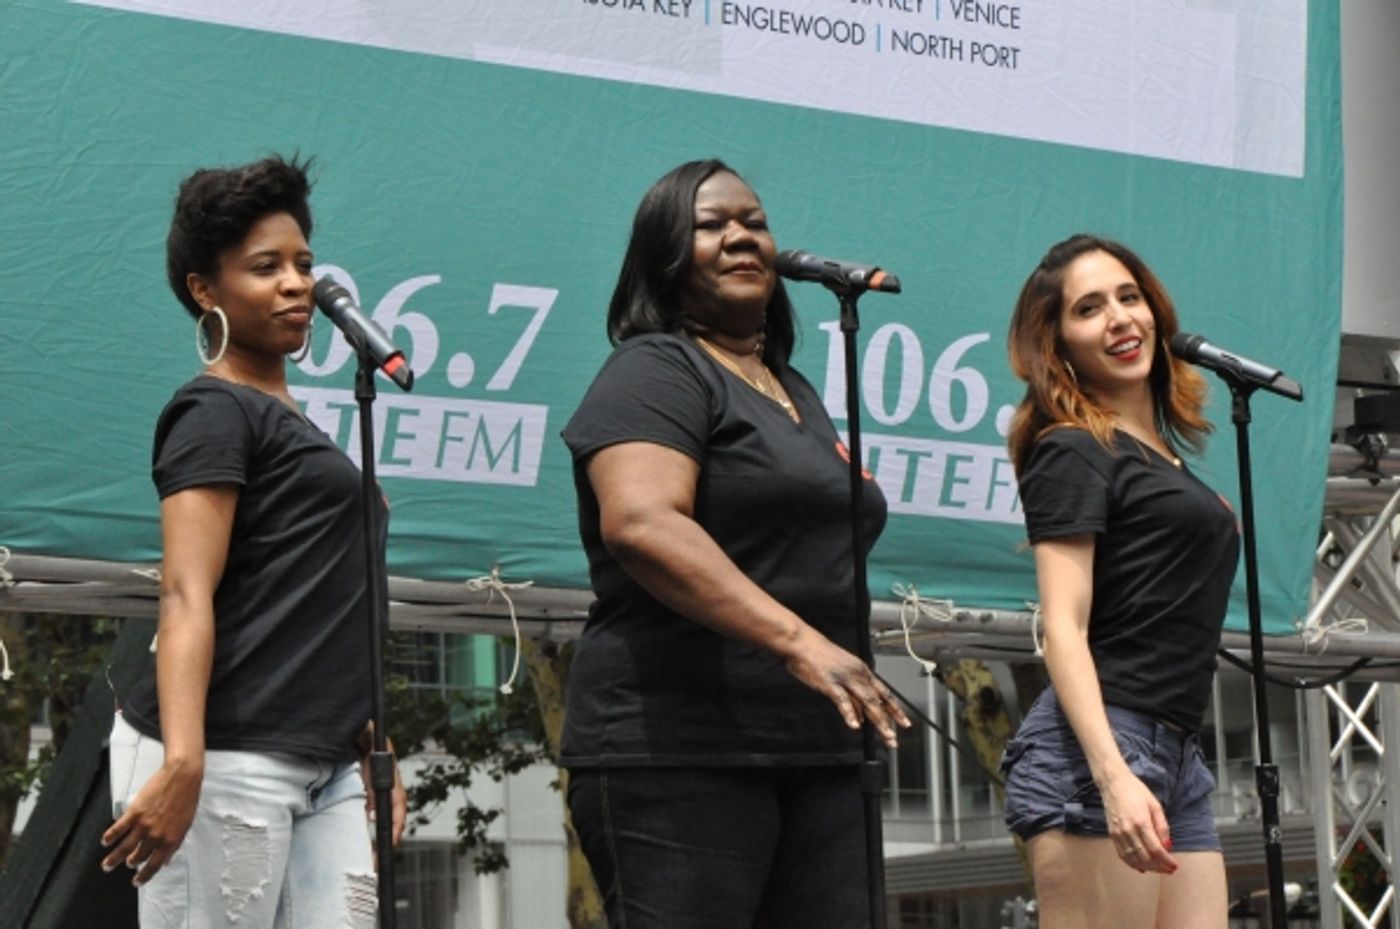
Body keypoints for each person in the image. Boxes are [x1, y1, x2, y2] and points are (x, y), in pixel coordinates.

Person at [560, 159, 911, 929]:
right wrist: (799, 641)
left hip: (819, 752)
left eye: (753, 221)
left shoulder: (797, 392)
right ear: (666, 255)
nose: (740, 235)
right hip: (680, 749)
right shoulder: (655, 369)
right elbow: (642, 523)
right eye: (712, 223)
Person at [101, 155, 405, 928]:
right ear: (206, 289)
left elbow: (324, 607)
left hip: (328, 763)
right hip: (223, 750)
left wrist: (379, 746)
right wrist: (182, 760)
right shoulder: (213, 410)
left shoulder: (297, 425)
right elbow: (184, 591)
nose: (297, 283)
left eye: (304, 263)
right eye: (266, 267)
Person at [1000, 234, 1241, 928]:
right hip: (1100, 746)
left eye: (1129, 297)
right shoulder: (1073, 447)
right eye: (1089, 308)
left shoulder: (1159, 455)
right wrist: (1112, 775)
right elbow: (1063, 629)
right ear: (1060, 344)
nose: (1119, 319)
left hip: (1176, 749)